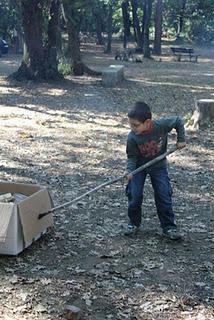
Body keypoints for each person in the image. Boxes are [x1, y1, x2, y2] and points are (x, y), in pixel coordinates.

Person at [124, 101, 186, 240]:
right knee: (134, 194)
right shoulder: (132, 137)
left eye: (135, 125)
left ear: (147, 122)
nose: (132, 128)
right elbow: (132, 156)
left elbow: (178, 120)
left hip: (158, 167)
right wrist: (129, 170)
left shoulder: (161, 126)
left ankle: (169, 227)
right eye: (130, 124)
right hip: (138, 168)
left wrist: (181, 139)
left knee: (163, 193)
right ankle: (133, 223)